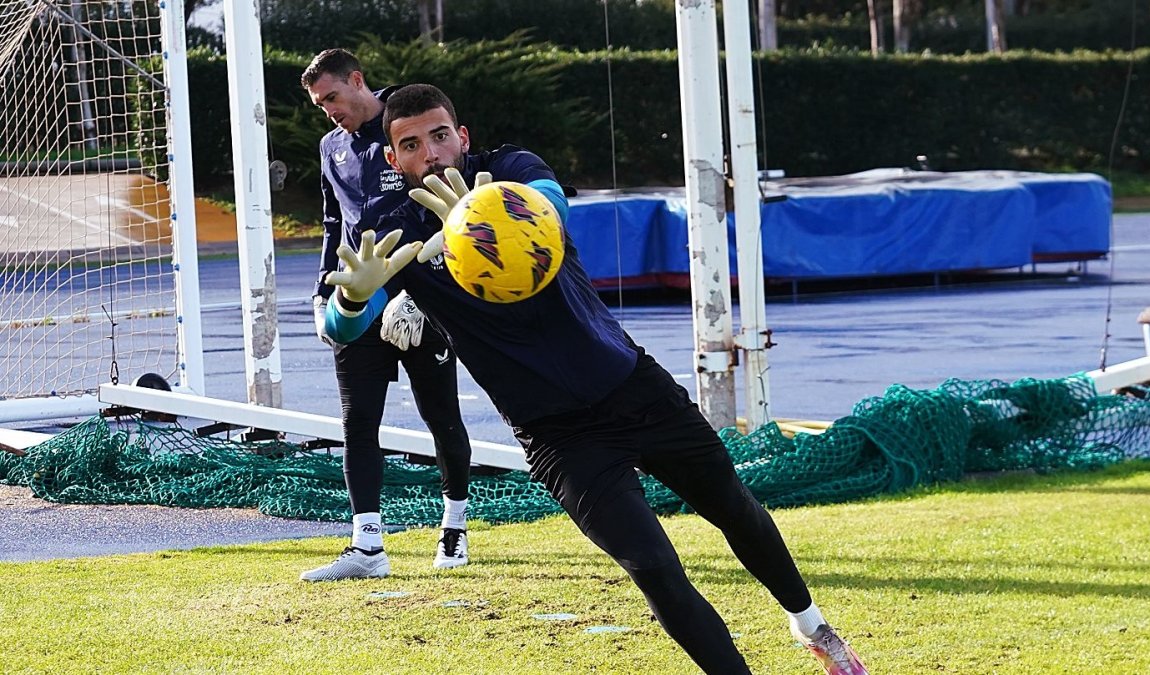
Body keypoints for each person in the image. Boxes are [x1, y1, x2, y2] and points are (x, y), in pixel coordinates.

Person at [323, 83, 869, 674]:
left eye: (438, 135)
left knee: (734, 507)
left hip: (633, 387)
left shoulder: (507, 170)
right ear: (391, 158)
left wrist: (481, 221)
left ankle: (811, 625)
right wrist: (352, 302)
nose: (429, 152)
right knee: (654, 567)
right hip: (557, 435)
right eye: (410, 145)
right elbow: (342, 331)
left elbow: (553, 209)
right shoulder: (390, 226)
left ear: (462, 136)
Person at [299, 51, 473, 579]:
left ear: (357, 81)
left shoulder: (407, 126)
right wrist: (322, 293)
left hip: (424, 294)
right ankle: (367, 546)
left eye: (331, 96)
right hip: (363, 297)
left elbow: (438, 210)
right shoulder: (331, 147)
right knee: (358, 421)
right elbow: (336, 225)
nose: (328, 110)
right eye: (318, 103)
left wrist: (420, 293)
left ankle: (455, 529)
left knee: (439, 412)